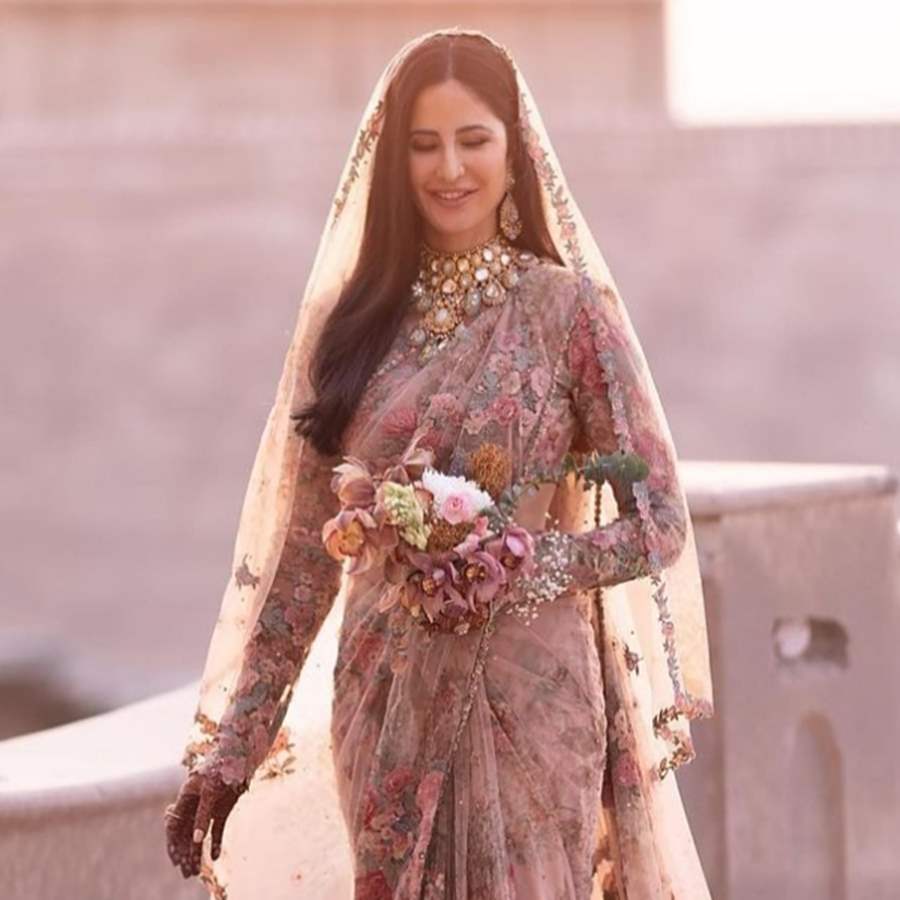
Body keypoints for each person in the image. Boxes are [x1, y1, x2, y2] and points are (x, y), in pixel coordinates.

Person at [164, 27, 715, 899]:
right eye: (423, 145)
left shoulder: (565, 314)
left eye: (472, 140)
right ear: (395, 163)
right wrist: (234, 748)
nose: (448, 168)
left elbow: (658, 521)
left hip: (534, 698)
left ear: (514, 151)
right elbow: (306, 560)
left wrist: (519, 564)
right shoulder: (353, 328)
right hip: (385, 701)